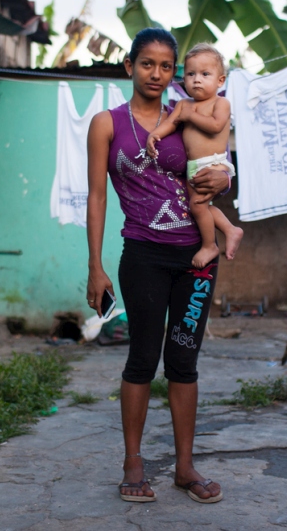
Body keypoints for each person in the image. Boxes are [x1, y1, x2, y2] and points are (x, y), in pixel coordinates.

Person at [86, 28, 229, 504]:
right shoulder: (108, 124)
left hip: (195, 259)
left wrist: (222, 179)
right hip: (142, 255)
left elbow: (212, 167)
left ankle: (185, 467)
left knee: (184, 361)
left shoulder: (184, 116)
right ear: (129, 67)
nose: (158, 73)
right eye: (148, 63)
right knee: (143, 358)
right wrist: (95, 265)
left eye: (167, 66)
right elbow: (97, 195)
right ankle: (133, 463)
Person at [146, 43, 244, 268]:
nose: (196, 79)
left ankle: (210, 245)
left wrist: (189, 115)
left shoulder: (221, 103)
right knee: (197, 206)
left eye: (205, 74)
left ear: (220, 81)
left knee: (199, 205)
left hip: (214, 164)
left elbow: (215, 125)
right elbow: (171, 124)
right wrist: (155, 135)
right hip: (193, 167)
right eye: (191, 74)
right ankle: (231, 229)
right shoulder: (183, 104)